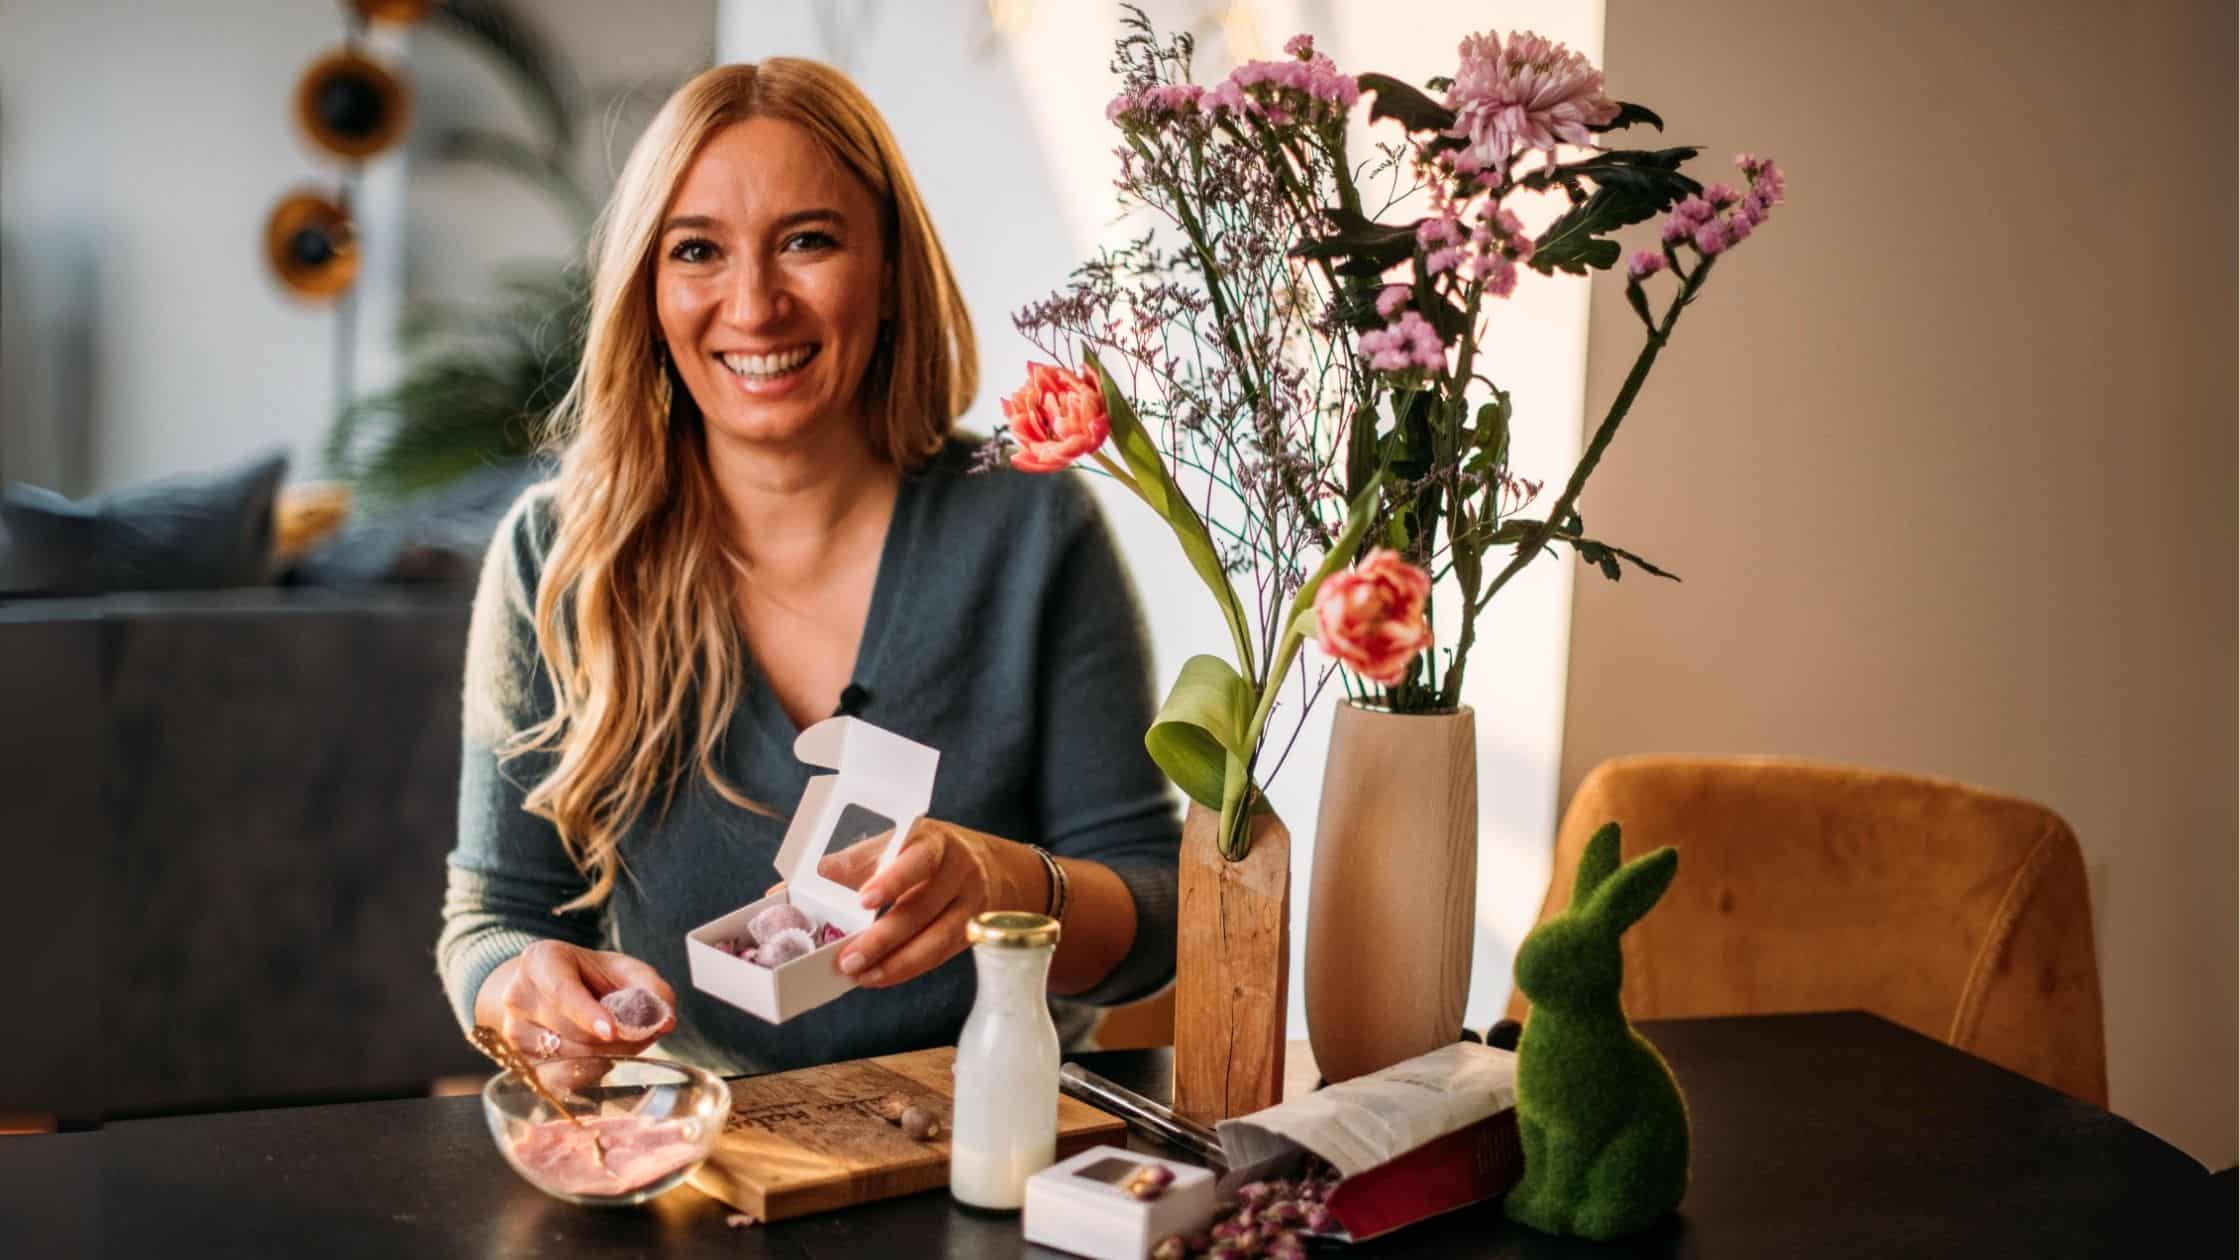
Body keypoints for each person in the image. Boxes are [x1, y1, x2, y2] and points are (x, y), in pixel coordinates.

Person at [437, 59, 1179, 1074]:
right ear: (648, 290)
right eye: (697, 250)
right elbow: (493, 917)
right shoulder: (556, 557)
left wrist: (1014, 887)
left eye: (806, 242)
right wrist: (521, 994)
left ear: (887, 271)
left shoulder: (1030, 529)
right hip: (711, 1161)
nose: (752, 305)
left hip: (1000, 1145)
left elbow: (1160, 913)